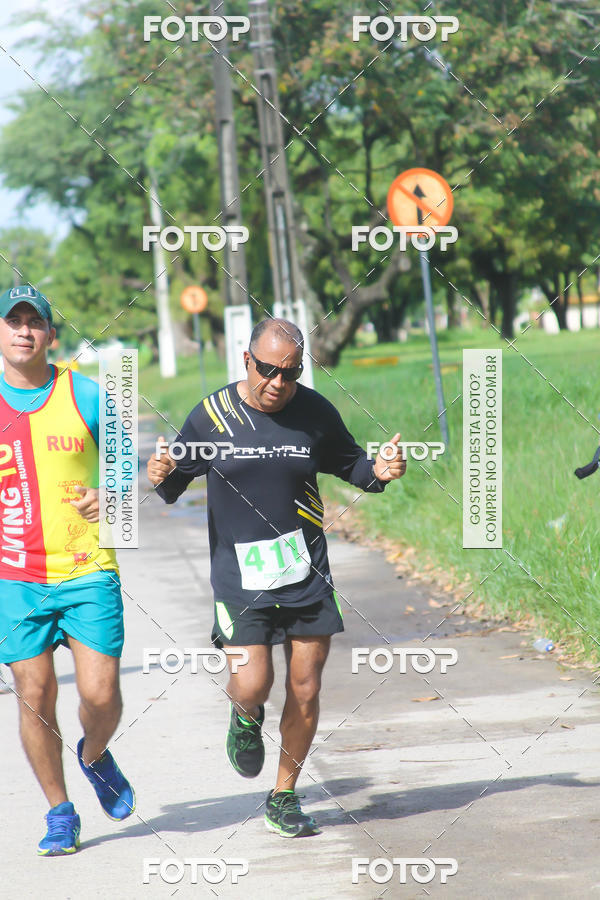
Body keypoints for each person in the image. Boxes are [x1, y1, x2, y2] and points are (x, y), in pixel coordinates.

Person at [147, 318, 406, 837]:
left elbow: (352, 465)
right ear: (247, 360)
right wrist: (160, 474)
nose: (278, 382)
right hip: (239, 578)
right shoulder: (212, 415)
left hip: (305, 571)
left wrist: (379, 471)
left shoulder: (314, 412)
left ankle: (284, 795)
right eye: (267, 369)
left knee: (305, 688)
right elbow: (172, 483)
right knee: (253, 683)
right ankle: (246, 715)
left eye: (290, 372)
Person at [0, 285, 135, 856]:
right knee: (34, 693)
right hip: (15, 577)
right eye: (13, 321)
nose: (23, 331)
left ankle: (95, 754)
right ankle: (60, 812)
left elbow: (126, 471)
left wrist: (112, 495)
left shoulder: (87, 393)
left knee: (101, 696)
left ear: (50, 336)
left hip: (87, 570)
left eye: (34, 322)